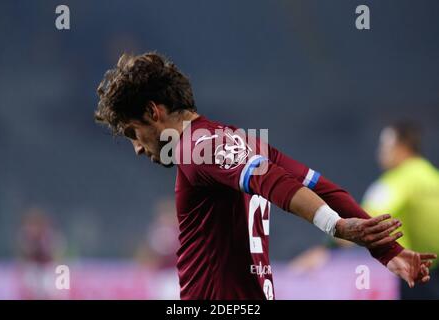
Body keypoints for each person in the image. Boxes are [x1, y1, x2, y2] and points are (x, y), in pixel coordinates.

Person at [94, 52, 435, 299]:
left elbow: (272, 182)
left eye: (132, 133)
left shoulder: (196, 146)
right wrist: (388, 252)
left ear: (154, 111)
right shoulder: (241, 141)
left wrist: (336, 226)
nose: (138, 148)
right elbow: (319, 185)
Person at [362, 122, 439, 299]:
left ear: (402, 148)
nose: (380, 153)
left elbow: (364, 220)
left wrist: (327, 246)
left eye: (385, 146)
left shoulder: (398, 181)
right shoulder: (432, 176)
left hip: (420, 276)